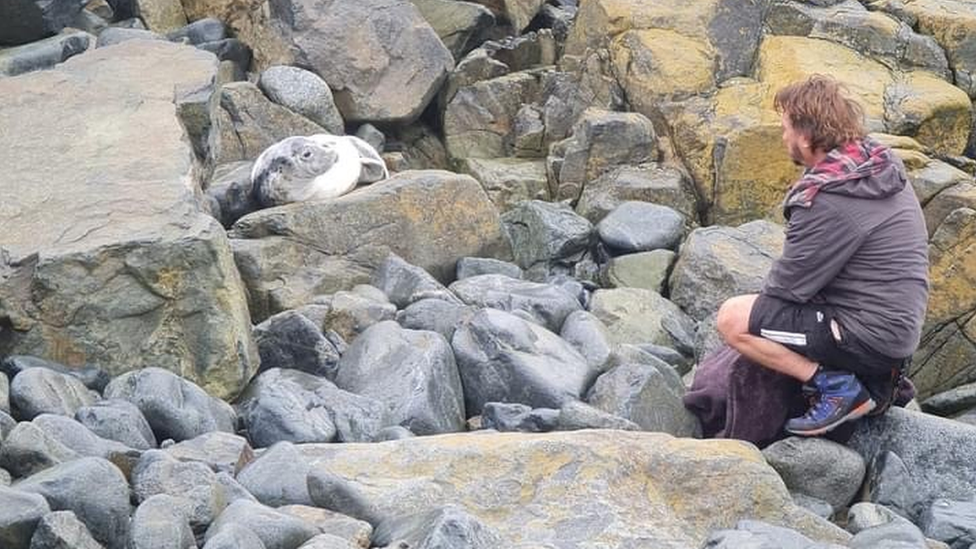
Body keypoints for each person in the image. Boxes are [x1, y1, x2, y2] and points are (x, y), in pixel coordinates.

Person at [715, 75, 929, 436]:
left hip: (868, 336)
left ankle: (835, 386)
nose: (782, 138)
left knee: (732, 319)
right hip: (897, 330)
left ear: (804, 135)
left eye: (785, 129)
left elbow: (786, 290)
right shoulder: (875, 164)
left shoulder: (826, 199)